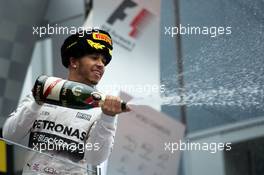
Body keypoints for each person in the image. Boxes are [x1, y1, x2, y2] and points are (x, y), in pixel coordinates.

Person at [3, 29, 130, 174]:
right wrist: (36, 103)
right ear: (74, 61)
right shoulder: (45, 89)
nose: (101, 64)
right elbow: (8, 136)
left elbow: (94, 159)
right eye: (95, 57)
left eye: (104, 61)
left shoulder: (103, 107)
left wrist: (108, 118)